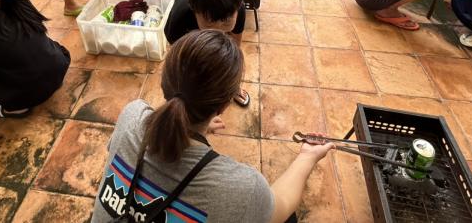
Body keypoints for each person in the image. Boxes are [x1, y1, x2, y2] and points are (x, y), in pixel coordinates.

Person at [90, 29, 334, 222]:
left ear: (165, 80)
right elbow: (281, 205)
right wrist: (308, 156)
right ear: (225, 105)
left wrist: (197, 127)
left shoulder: (132, 116)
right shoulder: (242, 187)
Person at [165, 0, 250, 106]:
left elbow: (235, 45)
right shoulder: (180, 18)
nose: (217, 30)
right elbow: (176, 59)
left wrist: (234, 82)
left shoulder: (237, 8)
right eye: (209, 22)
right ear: (194, 9)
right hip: (188, 35)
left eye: (226, 21)